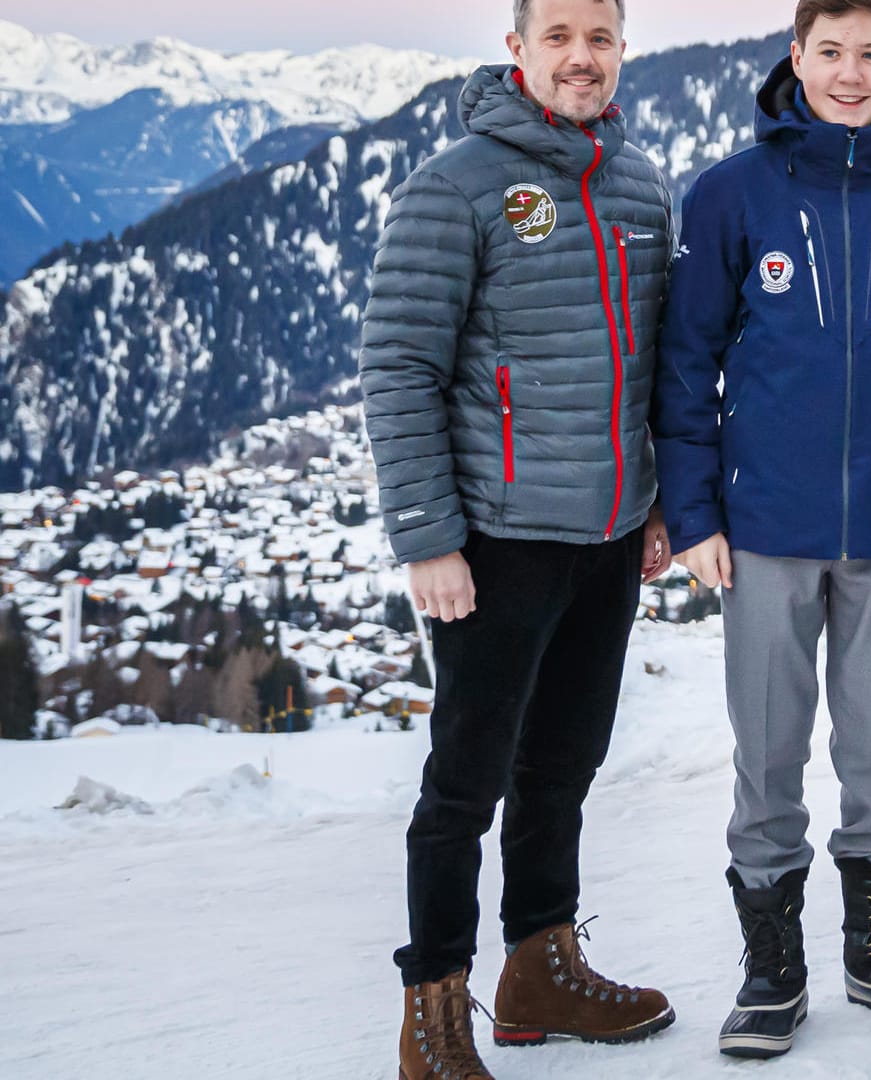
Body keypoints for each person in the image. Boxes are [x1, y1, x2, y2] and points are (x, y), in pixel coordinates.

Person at [651, 0, 871, 1059]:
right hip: (764, 530)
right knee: (769, 751)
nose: (851, 74)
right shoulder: (730, 195)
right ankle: (773, 966)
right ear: (796, 56)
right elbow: (685, 363)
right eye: (831, 52)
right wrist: (697, 511)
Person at [360, 1, 676, 1077]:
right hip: (496, 540)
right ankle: (433, 1007)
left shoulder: (638, 186)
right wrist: (427, 538)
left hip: (610, 533)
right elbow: (399, 365)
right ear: (519, 51)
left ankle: (539, 967)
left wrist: (659, 498)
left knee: (564, 766)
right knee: (464, 783)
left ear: (621, 48)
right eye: (560, 38)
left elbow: (658, 364)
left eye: (600, 37)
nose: (581, 57)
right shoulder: (456, 186)